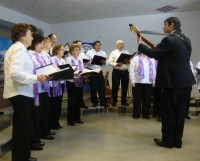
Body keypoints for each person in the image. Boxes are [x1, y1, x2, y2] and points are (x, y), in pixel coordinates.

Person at [137, 17, 196, 148]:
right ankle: (177, 141)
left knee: (169, 112)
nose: (163, 28)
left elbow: (154, 53)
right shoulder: (186, 40)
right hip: (186, 82)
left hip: (172, 82)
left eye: (165, 25)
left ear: (171, 25)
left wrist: (140, 44)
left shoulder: (169, 39)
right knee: (180, 113)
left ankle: (168, 141)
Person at [3, 23, 48, 161]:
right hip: (20, 93)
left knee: (22, 128)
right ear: (22, 36)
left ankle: (22, 156)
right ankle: (21, 158)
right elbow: (15, 73)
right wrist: (36, 77)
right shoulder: (19, 49)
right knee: (22, 129)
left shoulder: (19, 49)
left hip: (21, 93)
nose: (32, 37)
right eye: (30, 34)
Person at [28, 33, 47, 151]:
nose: (42, 45)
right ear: (35, 43)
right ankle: (33, 141)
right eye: (40, 43)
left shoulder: (37, 54)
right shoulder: (30, 54)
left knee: (39, 115)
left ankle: (36, 139)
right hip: (34, 89)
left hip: (40, 87)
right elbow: (36, 69)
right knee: (34, 116)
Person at [129, 52, 156, 119]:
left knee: (147, 99)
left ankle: (146, 114)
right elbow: (131, 70)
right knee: (137, 99)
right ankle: (136, 114)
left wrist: (154, 80)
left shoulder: (151, 59)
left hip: (148, 82)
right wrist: (132, 80)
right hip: (138, 81)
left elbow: (154, 70)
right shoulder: (135, 58)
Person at [66, 44, 84, 126]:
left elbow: (82, 69)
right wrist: (76, 73)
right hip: (71, 82)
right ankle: (70, 119)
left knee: (78, 100)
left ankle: (77, 117)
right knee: (72, 101)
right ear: (72, 51)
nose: (77, 51)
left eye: (78, 50)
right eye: (76, 50)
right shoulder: (68, 59)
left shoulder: (80, 59)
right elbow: (69, 71)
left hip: (79, 81)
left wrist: (85, 73)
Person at [86, 40, 108, 108]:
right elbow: (86, 63)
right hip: (92, 71)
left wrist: (103, 62)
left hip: (99, 71)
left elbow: (106, 62)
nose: (98, 46)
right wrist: (90, 63)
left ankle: (103, 102)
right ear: (94, 46)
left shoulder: (103, 53)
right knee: (93, 88)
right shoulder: (89, 52)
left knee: (101, 88)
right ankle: (94, 102)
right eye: (97, 45)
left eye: (99, 45)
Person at [108, 40, 130, 107]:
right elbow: (109, 62)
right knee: (115, 87)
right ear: (116, 45)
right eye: (120, 44)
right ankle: (114, 101)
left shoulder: (126, 52)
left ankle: (123, 101)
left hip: (125, 71)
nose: (121, 45)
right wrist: (116, 64)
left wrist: (128, 61)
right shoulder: (113, 52)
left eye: (122, 44)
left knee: (125, 87)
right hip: (116, 71)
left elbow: (129, 62)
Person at [50, 44, 66, 129]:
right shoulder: (52, 59)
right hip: (53, 85)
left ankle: (56, 122)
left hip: (61, 84)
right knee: (54, 104)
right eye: (62, 49)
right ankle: (52, 123)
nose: (63, 51)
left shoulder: (63, 61)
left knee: (59, 104)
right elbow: (51, 71)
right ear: (56, 51)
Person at [73, 40, 89, 109]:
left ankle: (81, 103)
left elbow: (84, 63)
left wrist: (86, 63)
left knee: (80, 92)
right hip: (74, 77)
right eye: (79, 44)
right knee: (75, 94)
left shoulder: (82, 53)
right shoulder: (70, 56)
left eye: (81, 45)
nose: (80, 46)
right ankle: (76, 105)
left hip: (81, 75)